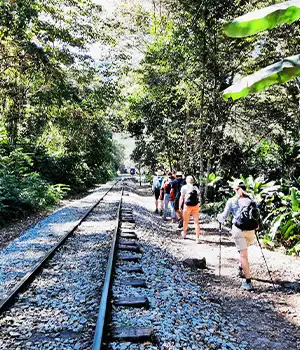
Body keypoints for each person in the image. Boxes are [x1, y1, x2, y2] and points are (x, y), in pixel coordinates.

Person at [217, 180, 255, 291]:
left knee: (243, 255)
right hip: (251, 231)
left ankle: (248, 281)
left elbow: (224, 216)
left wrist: (219, 217)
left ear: (235, 189)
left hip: (238, 230)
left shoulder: (232, 200)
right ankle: (240, 267)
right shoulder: (251, 199)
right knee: (244, 253)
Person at [179, 175, 201, 244]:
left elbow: (181, 197)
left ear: (186, 180)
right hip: (195, 206)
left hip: (187, 206)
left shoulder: (184, 187)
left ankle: (184, 233)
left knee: (185, 221)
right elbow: (198, 196)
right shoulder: (195, 187)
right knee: (196, 222)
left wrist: (180, 206)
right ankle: (197, 238)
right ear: (193, 181)